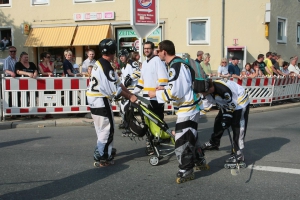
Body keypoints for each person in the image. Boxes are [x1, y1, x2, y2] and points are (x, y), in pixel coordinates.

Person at [148, 40, 203, 182]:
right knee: (191, 136)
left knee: (182, 141)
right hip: (192, 106)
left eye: (158, 51)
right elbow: (179, 86)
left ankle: (186, 170)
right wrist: (164, 88)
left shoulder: (175, 66)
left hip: (187, 109)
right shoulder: (179, 63)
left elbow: (176, 92)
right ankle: (199, 160)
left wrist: (156, 94)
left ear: (164, 52)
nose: (157, 53)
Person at [86, 39, 137, 167]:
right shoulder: (107, 67)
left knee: (101, 128)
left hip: (93, 100)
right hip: (100, 100)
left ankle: (105, 150)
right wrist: (130, 96)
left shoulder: (100, 62)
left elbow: (118, 82)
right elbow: (116, 90)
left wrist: (130, 94)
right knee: (107, 129)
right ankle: (102, 156)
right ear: (113, 51)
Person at [201, 79, 250, 165]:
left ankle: (239, 155)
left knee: (237, 126)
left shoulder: (224, 90)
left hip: (239, 101)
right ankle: (214, 142)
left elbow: (232, 106)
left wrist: (227, 117)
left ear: (211, 88)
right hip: (225, 102)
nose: (203, 94)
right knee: (219, 121)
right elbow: (204, 108)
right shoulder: (206, 90)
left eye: (204, 92)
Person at [133, 41, 168, 121]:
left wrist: (157, 93)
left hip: (156, 99)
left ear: (152, 49)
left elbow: (163, 80)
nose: (146, 50)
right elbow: (142, 81)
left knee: (157, 123)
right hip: (146, 99)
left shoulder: (157, 61)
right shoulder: (144, 63)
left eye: (148, 48)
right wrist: (133, 93)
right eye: (145, 48)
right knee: (148, 124)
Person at [118, 49, 141, 132]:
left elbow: (138, 72)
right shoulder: (124, 66)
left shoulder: (132, 63)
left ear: (127, 56)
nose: (121, 58)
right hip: (126, 89)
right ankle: (126, 123)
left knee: (126, 108)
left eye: (123, 56)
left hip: (132, 89)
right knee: (122, 107)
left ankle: (130, 126)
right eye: (120, 56)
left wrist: (131, 78)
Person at [38, 52, 54, 119]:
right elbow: (42, 73)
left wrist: (48, 63)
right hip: (44, 82)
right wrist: (48, 73)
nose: (49, 58)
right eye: (47, 57)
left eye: (49, 57)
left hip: (51, 81)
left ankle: (50, 112)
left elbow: (51, 70)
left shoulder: (51, 63)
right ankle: (46, 112)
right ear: (44, 58)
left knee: (51, 96)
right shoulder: (40, 64)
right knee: (45, 96)